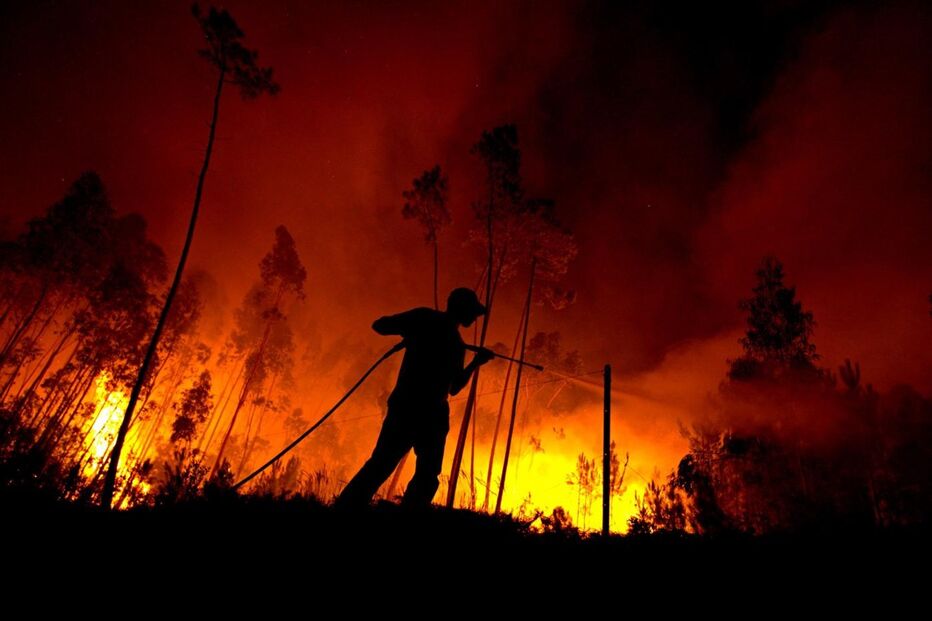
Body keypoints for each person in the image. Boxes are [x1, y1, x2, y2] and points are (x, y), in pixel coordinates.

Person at [335, 287, 494, 508]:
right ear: (463, 309)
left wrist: (413, 331)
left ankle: (345, 507)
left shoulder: (431, 324)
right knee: (424, 473)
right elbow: (455, 387)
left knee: (385, 464)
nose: (475, 318)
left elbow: (380, 325)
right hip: (428, 412)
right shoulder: (448, 338)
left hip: (410, 407)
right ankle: (409, 516)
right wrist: (476, 362)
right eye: (473, 312)